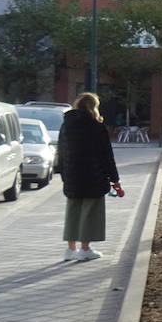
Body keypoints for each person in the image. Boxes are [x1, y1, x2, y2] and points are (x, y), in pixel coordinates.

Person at [55, 92, 121, 262]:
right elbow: (106, 154)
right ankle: (85, 248)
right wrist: (114, 179)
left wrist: (64, 174)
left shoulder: (66, 126)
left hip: (72, 176)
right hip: (93, 176)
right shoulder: (96, 126)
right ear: (94, 107)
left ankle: (70, 250)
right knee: (90, 212)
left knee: (73, 211)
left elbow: (60, 152)